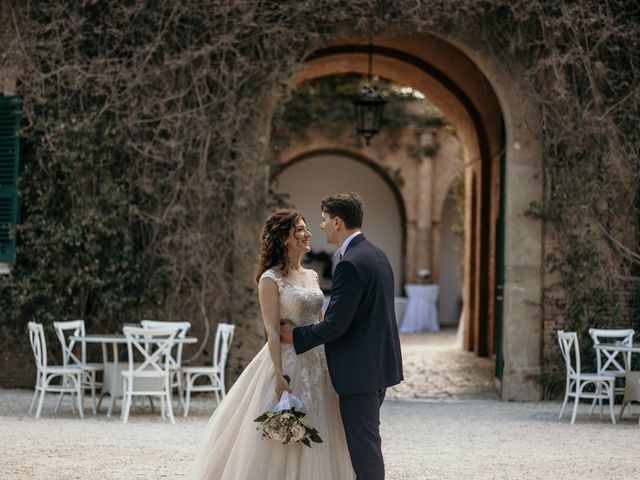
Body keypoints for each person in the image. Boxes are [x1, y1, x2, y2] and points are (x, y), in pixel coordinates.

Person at [190, 210, 354, 480]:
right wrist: (278, 375)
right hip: (287, 361)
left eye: (306, 228)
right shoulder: (270, 278)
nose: (308, 232)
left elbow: (321, 321)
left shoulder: (312, 276)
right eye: (299, 229)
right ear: (283, 238)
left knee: (322, 428)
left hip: (318, 363)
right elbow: (271, 330)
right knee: (283, 436)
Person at [280, 192, 404, 480]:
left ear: (338, 222)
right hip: (377, 367)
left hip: (359, 373)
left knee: (365, 451)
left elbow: (337, 325)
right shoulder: (377, 254)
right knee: (367, 443)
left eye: (323, 220)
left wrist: (296, 336)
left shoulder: (350, 263)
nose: (320, 226)